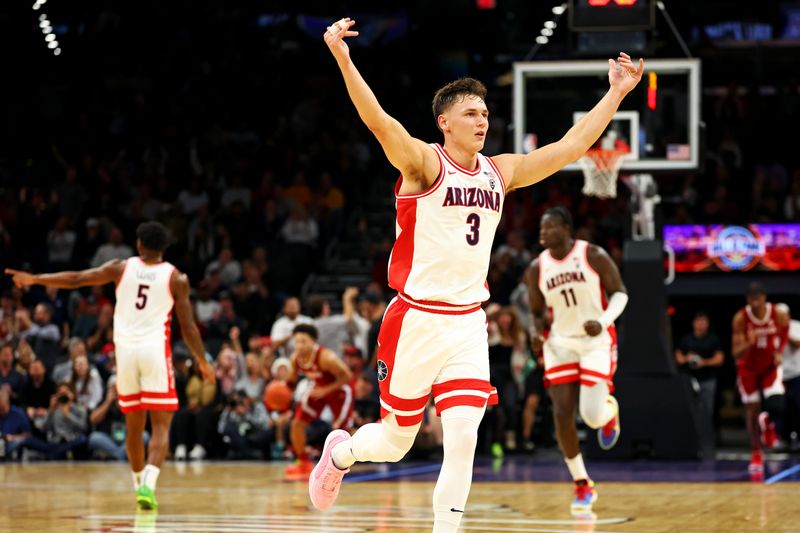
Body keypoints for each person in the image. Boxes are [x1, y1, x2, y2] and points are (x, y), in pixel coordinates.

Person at [310, 17, 644, 531]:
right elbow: (378, 121)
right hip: (415, 319)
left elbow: (569, 149)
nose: (481, 120)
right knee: (396, 443)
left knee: (463, 437)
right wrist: (343, 57)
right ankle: (342, 454)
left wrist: (616, 93)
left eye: (485, 112)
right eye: (470, 113)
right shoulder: (423, 163)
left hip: (468, 323)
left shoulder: (500, 170)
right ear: (445, 122)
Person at [5, 221, 215, 509]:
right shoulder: (176, 278)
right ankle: (149, 487)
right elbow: (189, 328)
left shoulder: (120, 267)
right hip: (155, 352)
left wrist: (36, 279)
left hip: (125, 354)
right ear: (164, 249)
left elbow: (78, 278)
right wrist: (202, 361)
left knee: (133, 425)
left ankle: (137, 483)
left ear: (139, 245)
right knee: (161, 426)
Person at [524, 206, 628, 515]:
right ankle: (582, 482)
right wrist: (534, 333)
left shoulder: (592, 255)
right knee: (561, 412)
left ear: (566, 229)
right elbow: (536, 312)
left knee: (592, 416)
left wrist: (605, 319)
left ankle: (609, 412)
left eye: (550, 227)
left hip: (595, 341)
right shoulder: (536, 268)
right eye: (541, 228)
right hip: (560, 344)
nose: (543, 232)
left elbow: (620, 293)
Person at [731, 283, 790, 473]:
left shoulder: (777, 313)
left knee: (778, 404)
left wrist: (779, 351)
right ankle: (756, 451)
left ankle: (768, 422)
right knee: (752, 411)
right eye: (752, 299)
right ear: (748, 300)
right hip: (748, 369)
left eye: (758, 298)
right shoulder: (741, 318)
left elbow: (786, 329)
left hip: (769, 367)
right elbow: (736, 353)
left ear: (765, 297)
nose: (756, 302)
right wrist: (749, 343)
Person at [285, 324, 353, 480]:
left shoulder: (326, 357)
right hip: (319, 389)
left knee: (341, 429)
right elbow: (290, 382)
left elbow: (347, 377)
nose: (299, 345)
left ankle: (346, 461)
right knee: (297, 423)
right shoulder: (296, 359)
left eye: (303, 341)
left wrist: (326, 390)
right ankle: (302, 461)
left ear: (313, 341)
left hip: (340, 390)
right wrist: (282, 393)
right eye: (297, 342)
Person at [675, 311, 725, 450]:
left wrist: (704, 362)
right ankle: (689, 439)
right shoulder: (687, 340)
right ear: (694, 323)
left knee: (707, 410)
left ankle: (707, 441)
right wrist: (687, 359)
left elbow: (720, 359)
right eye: (699, 321)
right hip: (689, 380)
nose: (701, 324)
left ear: (707, 324)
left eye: (704, 321)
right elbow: (678, 357)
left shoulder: (713, 340)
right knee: (690, 410)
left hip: (708, 380)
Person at [779, 304, 800, 446]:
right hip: (779, 375)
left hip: (797, 372)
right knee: (781, 408)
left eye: (783, 315)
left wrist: (784, 332)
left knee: (798, 406)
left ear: (788, 315)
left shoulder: (796, 326)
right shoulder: (772, 328)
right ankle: (783, 439)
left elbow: (797, 343)